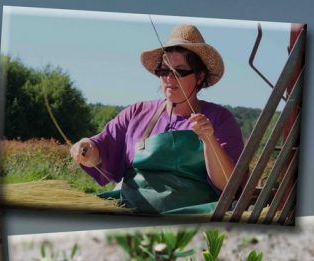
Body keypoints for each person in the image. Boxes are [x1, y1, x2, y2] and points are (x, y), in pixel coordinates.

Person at [70, 25, 244, 215]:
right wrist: (85, 148)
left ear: (200, 76)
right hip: (130, 212)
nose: (169, 78)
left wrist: (209, 140)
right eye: (164, 70)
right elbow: (102, 148)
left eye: (179, 71)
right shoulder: (137, 112)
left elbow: (229, 185)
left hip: (192, 220)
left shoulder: (220, 119)